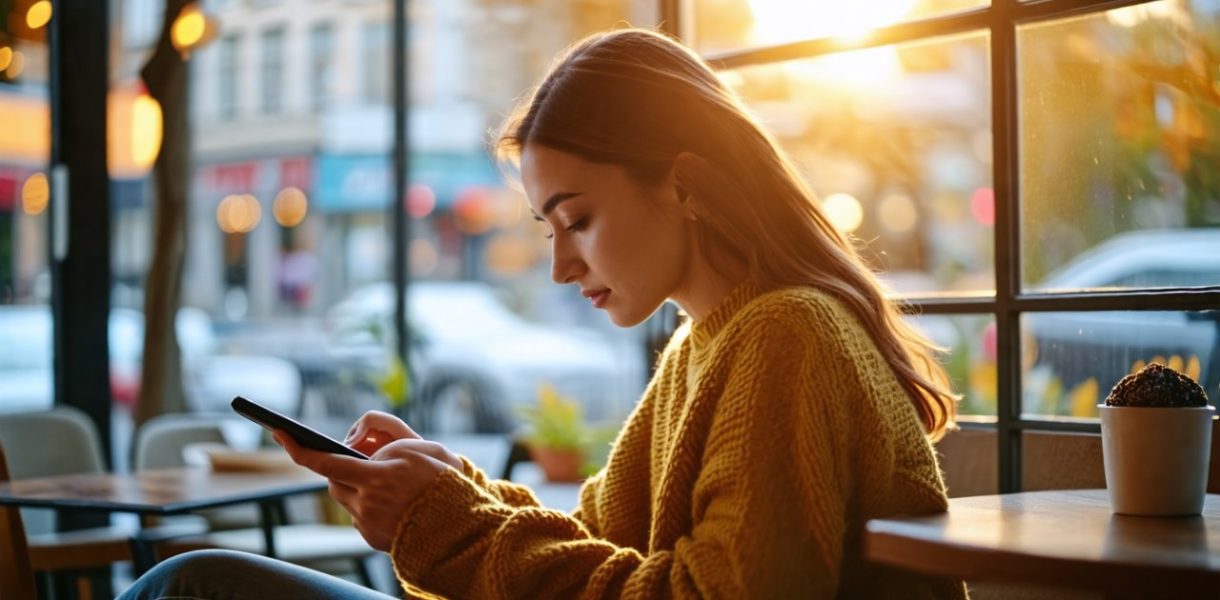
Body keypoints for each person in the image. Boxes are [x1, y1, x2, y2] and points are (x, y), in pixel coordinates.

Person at [120, 28, 965, 599]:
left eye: (579, 220)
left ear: (683, 182)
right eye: (548, 228)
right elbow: (598, 540)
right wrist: (453, 489)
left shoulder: (789, 334)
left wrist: (442, 524)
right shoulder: (708, 344)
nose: (561, 266)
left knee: (194, 587)